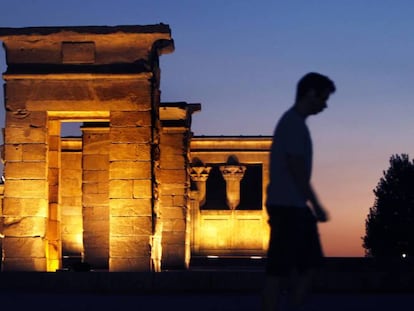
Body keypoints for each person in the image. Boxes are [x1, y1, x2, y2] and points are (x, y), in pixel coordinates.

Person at [262, 72, 336, 311]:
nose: (325, 105)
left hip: (292, 206)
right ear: (311, 94)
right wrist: (316, 205)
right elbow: (296, 169)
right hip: (288, 207)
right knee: (281, 270)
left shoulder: (294, 123)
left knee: (303, 267)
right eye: (323, 98)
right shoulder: (292, 124)